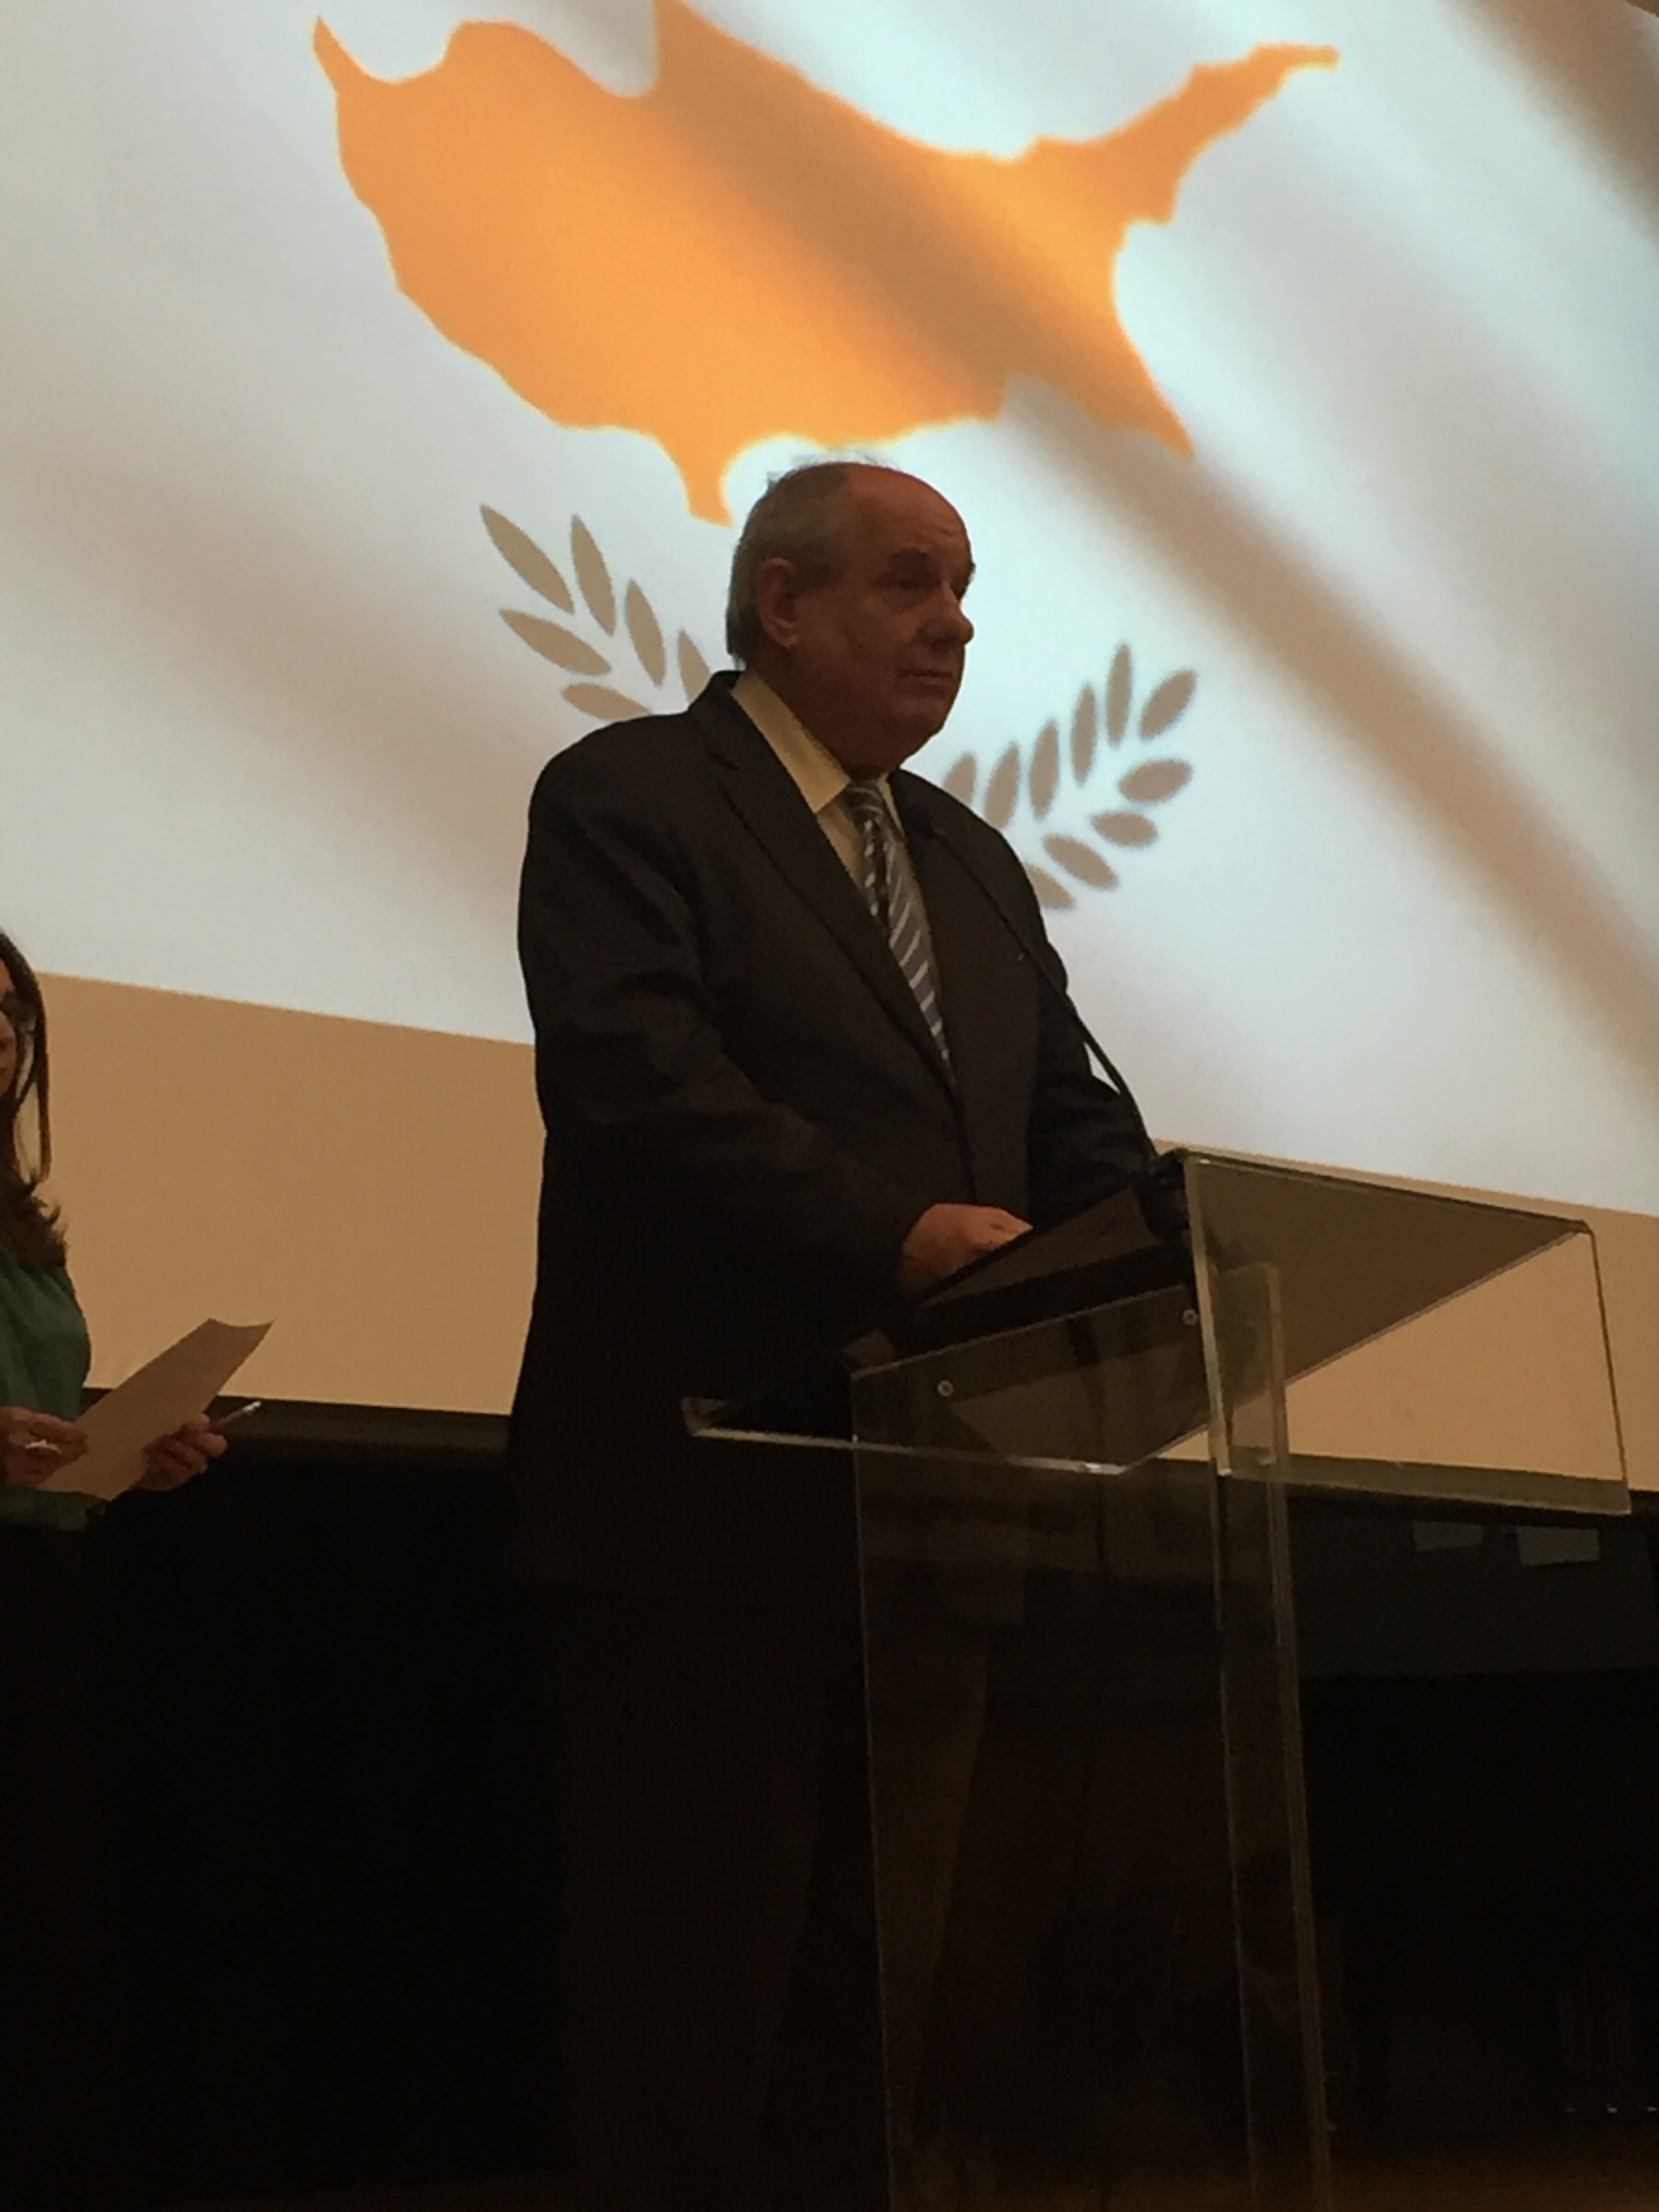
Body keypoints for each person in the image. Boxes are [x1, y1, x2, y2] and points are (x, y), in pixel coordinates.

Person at [510, 462, 1158, 2212]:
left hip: (930, 1518)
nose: (953, 624)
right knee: (691, 1998)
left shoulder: (965, 857)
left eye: (965, 590)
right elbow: (639, 1084)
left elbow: (1065, 1120)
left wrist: (1171, 1244)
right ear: (781, 604)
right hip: (703, 1500)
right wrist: (898, 1233)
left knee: (881, 2022)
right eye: (908, 582)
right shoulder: (633, 798)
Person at [0, 928, 229, 2212]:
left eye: (13, 1012)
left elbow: (43, 1419)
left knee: (48, 1946)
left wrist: (134, 1452)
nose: (0, 1033)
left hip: (41, 1603)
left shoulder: (24, 1231)